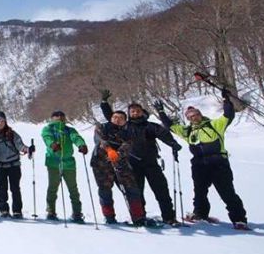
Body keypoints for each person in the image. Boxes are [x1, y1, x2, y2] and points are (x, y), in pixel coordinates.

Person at [155, 93, 249, 230]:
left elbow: (228, 115)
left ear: (200, 114)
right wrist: (161, 112)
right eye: (191, 117)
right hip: (199, 165)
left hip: (218, 163)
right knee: (199, 192)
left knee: (227, 192)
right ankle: (200, 214)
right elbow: (170, 126)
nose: (194, 118)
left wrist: (226, 100)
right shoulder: (187, 131)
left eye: (196, 115)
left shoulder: (215, 125)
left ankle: (239, 219)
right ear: (188, 119)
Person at [100, 90, 183, 224]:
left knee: (161, 191)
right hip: (132, 164)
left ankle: (169, 217)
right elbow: (113, 118)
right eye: (132, 111)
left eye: (137, 111)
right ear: (129, 114)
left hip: (151, 163)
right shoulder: (125, 126)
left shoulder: (149, 126)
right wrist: (104, 103)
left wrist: (173, 144)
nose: (135, 113)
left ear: (142, 112)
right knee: (137, 193)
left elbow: (163, 134)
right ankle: (140, 217)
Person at [91, 109, 155, 226]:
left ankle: (138, 217)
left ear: (125, 121)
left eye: (121, 118)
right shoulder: (102, 127)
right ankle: (109, 217)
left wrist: (118, 154)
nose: (117, 119)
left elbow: (128, 144)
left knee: (132, 188)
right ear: (111, 118)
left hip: (121, 163)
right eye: (115, 117)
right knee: (105, 190)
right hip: (101, 163)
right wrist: (109, 150)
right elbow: (99, 139)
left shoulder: (128, 131)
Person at [40, 110, 87, 222]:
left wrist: (81, 145)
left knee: (73, 189)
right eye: (56, 116)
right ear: (52, 118)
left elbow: (76, 137)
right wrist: (52, 144)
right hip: (53, 162)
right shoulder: (48, 129)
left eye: (62, 116)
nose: (59, 117)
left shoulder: (69, 130)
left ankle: (77, 213)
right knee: (53, 188)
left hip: (68, 163)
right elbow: (47, 137)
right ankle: (51, 211)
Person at [0, 111, 30, 218]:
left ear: (5, 121)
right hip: (1, 166)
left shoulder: (12, 133)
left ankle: (17, 211)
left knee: (15, 188)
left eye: (2, 120)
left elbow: (20, 145)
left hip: (14, 165)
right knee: (2, 189)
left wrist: (27, 149)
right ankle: (4, 210)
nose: (0, 123)